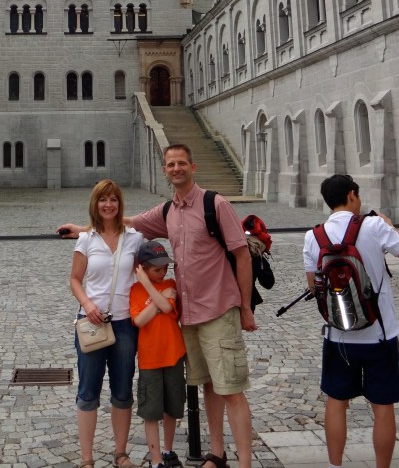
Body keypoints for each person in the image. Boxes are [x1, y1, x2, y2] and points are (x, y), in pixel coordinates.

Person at [60, 144, 256, 468]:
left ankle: (244, 462)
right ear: (164, 170)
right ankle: (217, 455)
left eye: (181, 163)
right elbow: (125, 221)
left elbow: (241, 254)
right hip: (189, 316)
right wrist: (84, 228)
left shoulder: (215, 204)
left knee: (231, 388)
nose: (176, 168)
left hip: (218, 309)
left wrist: (245, 308)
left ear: (193, 166)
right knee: (208, 385)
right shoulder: (169, 211)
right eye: (170, 164)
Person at [303, 174, 399, 468]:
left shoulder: (313, 235)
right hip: (379, 334)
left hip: (338, 336)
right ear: (353, 195)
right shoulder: (374, 225)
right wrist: (392, 228)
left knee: (336, 402)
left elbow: (313, 286)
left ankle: (335, 465)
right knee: (383, 407)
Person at [69, 180, 143, 468]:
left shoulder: (134, 238)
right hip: (91, 322)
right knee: (88, 390)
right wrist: (87, 305)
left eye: (113, 199)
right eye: (103, 200)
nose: (108, 205)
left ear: (119, 204)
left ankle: (120, 453)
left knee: (123, 390)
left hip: (125, 324)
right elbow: (75, 279)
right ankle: (86, 459)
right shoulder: (86, 239)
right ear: (95, 204)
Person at [130, 240, 186, 468]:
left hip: (173, 354)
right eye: (156, 269)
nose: (162, 273)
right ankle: (155, 461)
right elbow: (139, 320)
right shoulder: (135, 290)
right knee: (151, 411)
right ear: (142, 268)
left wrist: (152, 294)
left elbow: (167, 309)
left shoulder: (172, 283)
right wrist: (152, 292)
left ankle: (168, 450)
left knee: (172, 407)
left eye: (165, 268)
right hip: (149, 359)